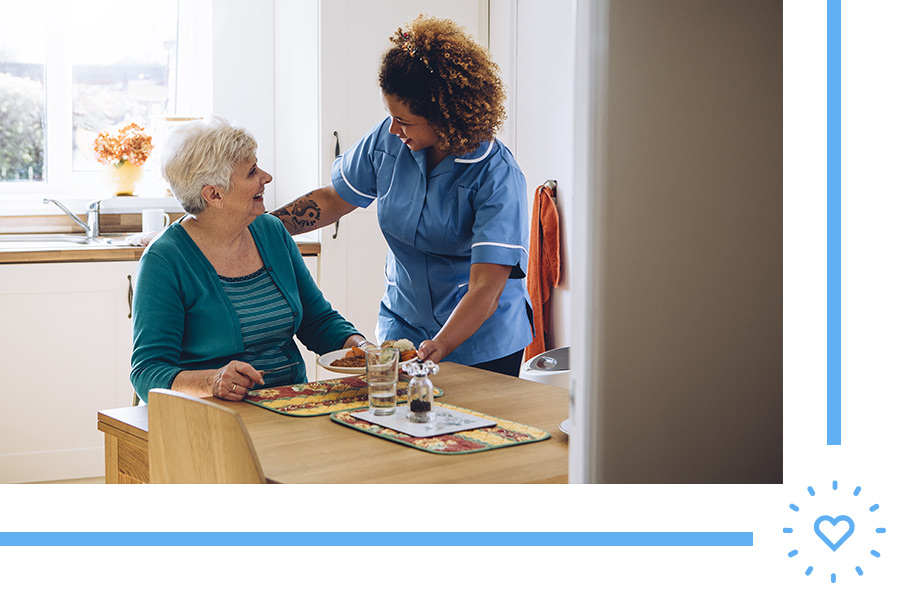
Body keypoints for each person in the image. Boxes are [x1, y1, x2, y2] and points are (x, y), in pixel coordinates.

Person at [272, 15, 532, 376]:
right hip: (404, 328)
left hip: (479, 342)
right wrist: (262, 228)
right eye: (389, 116)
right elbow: (333, 199)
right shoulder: (389, 139)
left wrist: (441, 345)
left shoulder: (496, 175)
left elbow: (486, 287)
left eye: (405, 121)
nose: (393, 129)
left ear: (445, 116)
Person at [131, 116, 369, 402]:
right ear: (214, 194)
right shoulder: (165, 260)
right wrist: (213, 380)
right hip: (212, 416)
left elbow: (317, 321)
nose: (266, 177)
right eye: (252, 172)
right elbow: (147, 371)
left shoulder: (271, 232)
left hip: (289, 404)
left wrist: (362, 347)